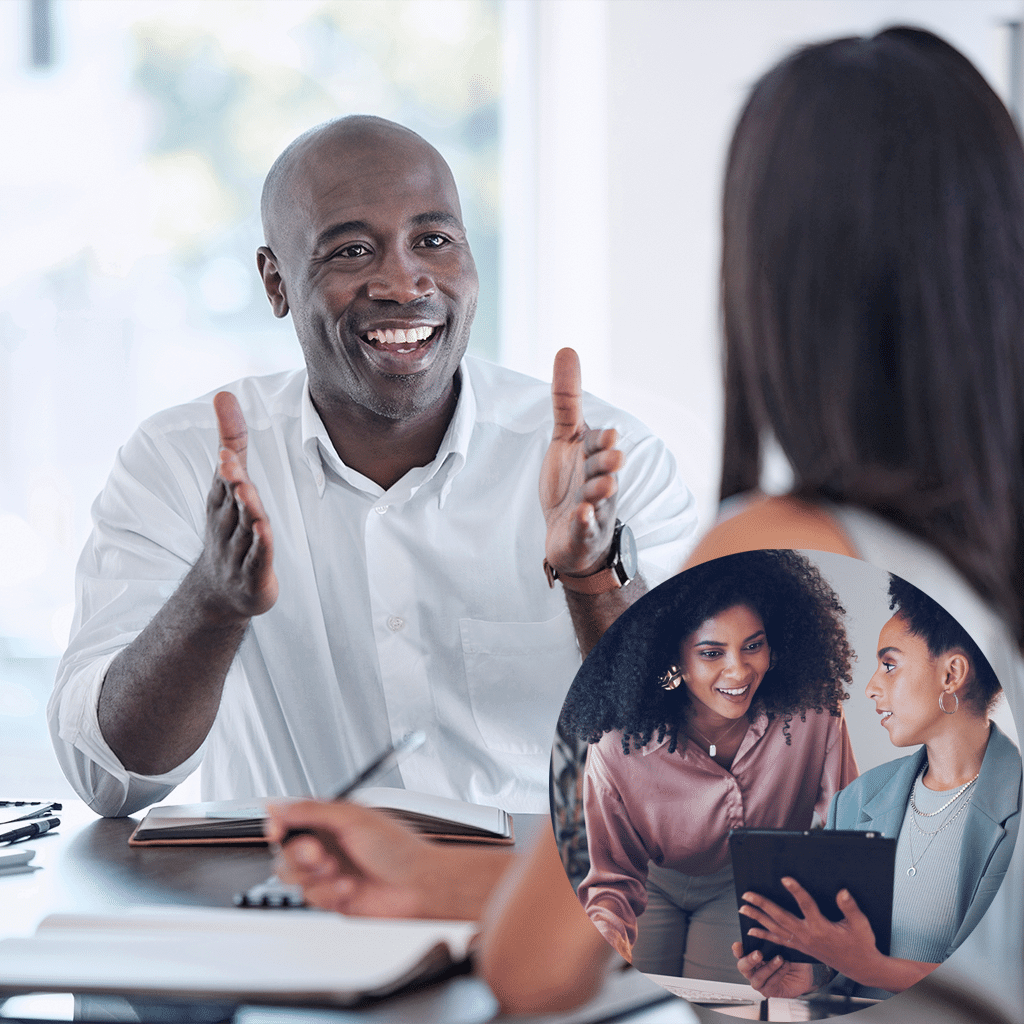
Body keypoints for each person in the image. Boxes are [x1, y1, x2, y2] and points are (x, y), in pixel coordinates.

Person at [272, 25, 1024, 1021]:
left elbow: (535, 972)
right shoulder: (972, 558)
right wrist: (451, 880)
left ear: (771, 278)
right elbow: (823, 919)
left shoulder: (782, 555)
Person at [48, 115, 697, 819]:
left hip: (539, 886)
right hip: (287, 886)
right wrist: (213, 599)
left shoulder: (608, 464)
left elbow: (699, 764)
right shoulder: (182, 462)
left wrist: (593, 577)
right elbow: (109, 777)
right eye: (352, 251)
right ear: (276, 282)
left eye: (434, 241)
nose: (402, 282)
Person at [561, 550, 857, 979]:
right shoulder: (616, 744)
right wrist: (602, 940)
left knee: (724, 994)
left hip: (755, 886)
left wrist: (825, 939)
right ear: (675, 659)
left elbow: (846, 836)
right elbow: (613, 881)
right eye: (712, 653)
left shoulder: (816, 715)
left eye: (752, 646)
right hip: (652, 882)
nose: (738, 671)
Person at [736, 575, 1020, 998]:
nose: (870, 688)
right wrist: (809, 977)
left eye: (889, 665)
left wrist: (875, 969)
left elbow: (1008, 984)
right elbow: (839, 954)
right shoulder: (855, 800)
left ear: (952, 674)